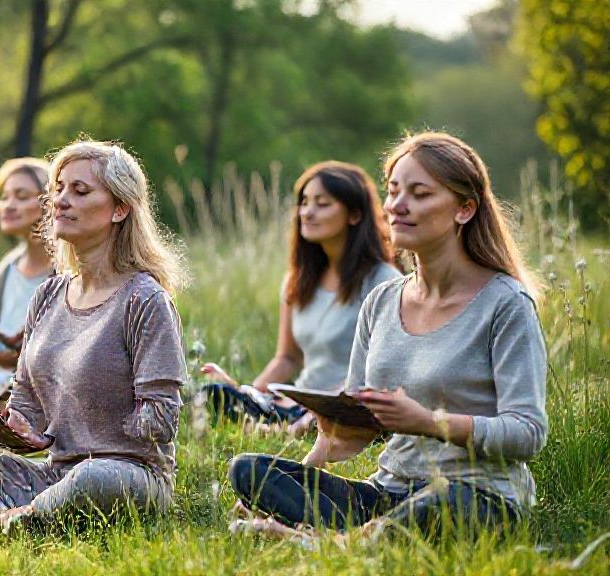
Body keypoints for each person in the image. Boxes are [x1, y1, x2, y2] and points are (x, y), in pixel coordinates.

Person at [228, 132, 547, 539]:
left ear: (464, 209)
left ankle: (323, 540)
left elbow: (527, 433)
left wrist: (430, 423)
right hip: (388, 491)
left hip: (474, 493)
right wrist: (325, 446)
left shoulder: (506, 304)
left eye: (419, 194)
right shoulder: (381, 300)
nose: (396, 205)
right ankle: (352, 534)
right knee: (248, 470)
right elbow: (358, 418)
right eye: (393, 192)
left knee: (439, 505)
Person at [0, 140, 188, 530]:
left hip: (126, 475)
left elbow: (162, 420)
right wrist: (18, 427)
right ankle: (5, 519)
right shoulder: (48, 294)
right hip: (55, 475)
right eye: (59, 189)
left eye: (80, 191)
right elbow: (25, 401)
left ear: (120, 209)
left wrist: (99, 426)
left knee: (92, 475)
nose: (61, 201)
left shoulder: (145, 300)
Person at [202, 161, 400, 435]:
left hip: (347, 406)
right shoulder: (298, 281)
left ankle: (288, 429)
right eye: (304, 203)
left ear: (354, 214)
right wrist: (248, 392)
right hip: (297, 404)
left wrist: (319, 409)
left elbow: (380, 371)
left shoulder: (383, 281)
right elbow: (287, 358)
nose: (307, 212)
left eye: (322, 203)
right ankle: (278, 425)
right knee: (215, 393)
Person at [0, 158, 54, 401]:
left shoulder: (66, 271)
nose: (8, 205)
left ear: (50, 202)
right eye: (4, 197)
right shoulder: (8, 266)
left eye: (22, 196)